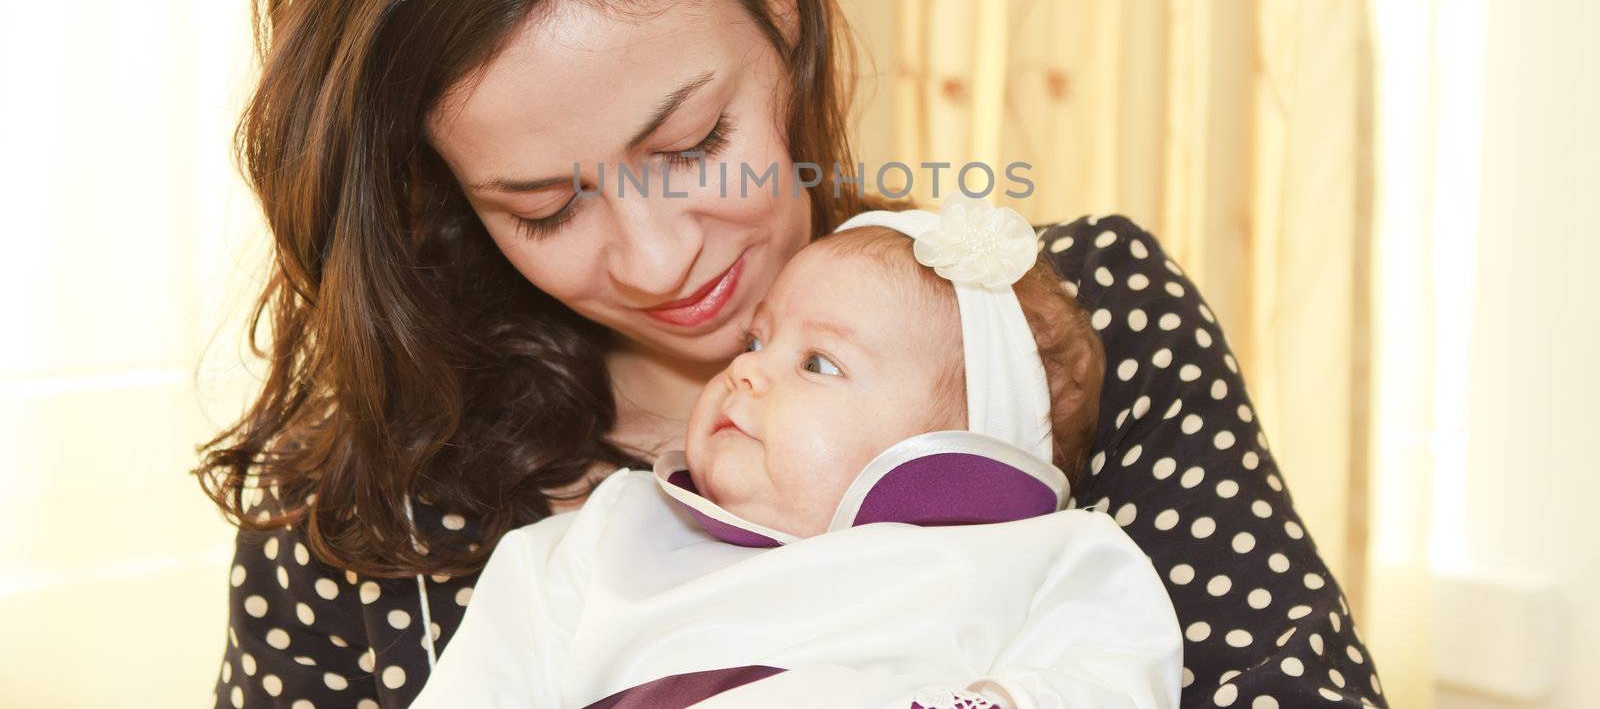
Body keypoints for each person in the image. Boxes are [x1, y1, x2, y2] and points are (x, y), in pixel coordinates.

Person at [200, 0, 1389, 708]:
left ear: (779, 5)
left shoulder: (1055, 337)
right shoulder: (360, 506)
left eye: (693, 143)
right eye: (547, 205)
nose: (662, 258)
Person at [409, 197, 1182, 708]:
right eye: (756, 340)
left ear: (962, 460)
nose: (746, 367)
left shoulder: (1043, 558)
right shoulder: (604, 540)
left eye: (819, 362)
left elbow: (1110, 678)